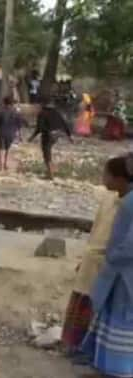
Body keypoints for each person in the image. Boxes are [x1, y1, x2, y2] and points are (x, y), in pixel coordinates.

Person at [60, 157, 128, 359]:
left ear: (119, 179)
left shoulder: (126, 205)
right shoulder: (108, 199)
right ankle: (74, 345)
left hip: (108, 263)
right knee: (82, 300)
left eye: (107, 174)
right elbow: (96, 229)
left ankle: (89, 351)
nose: (103, 177)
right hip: (92, 259)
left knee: (97, 307)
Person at [81, 154, 133, 377]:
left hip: (125, 272)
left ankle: (118, 369)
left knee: (122, 319)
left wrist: (113, 257)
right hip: (119, 271)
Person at [29, 97, 74, 180]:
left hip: (49, 134)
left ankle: (50, 175)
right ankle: (51, 170)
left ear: (42, 105)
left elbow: (39, 128)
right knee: (49, 150)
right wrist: (69, 136)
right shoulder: (57, 112)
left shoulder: (42, 113)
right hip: (58, 134)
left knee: (46, 153)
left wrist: (32, 137)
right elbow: (64, 124)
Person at [0, 97, 25, 171]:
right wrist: (20, 135)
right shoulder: (16, 112)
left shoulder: (0, 112)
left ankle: (1, 166)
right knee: (8, 149)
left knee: (1, 149)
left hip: (1, 132)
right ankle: (5, 164)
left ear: (4, 103)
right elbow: (19, 125)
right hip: (11, 133)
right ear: (12, 103)